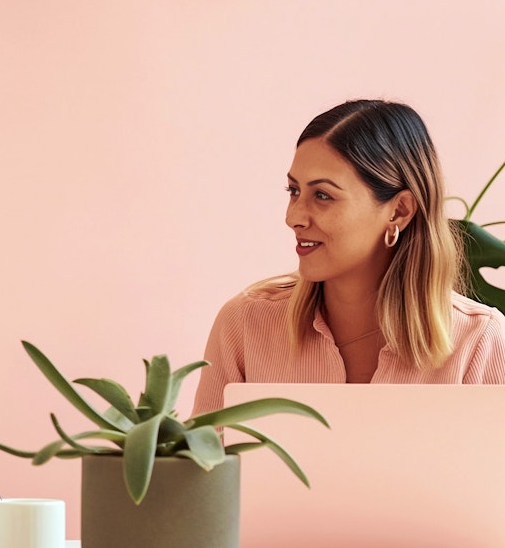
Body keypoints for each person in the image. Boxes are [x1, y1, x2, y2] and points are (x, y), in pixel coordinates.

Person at [193, 99, 505, 419]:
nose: (294, 217)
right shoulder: (245, 325)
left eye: (323, 195)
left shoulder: (479, 342)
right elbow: (203, 467)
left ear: (399, 210)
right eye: (293, 191)